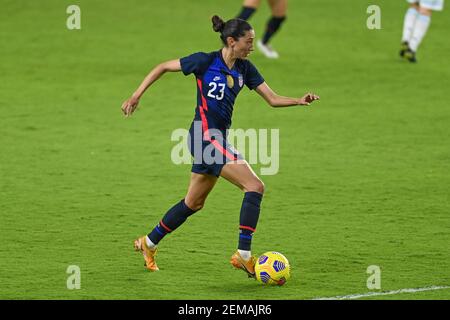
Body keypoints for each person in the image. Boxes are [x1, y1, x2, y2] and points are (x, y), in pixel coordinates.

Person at [121, 15, 319, 278]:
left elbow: (271, 99)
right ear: (231, 41)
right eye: (248, 41)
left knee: (193, 203)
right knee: (255, 186)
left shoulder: (245, 69)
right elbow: (163, 67)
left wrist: (298, 100)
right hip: (203, 137)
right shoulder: (205, 61)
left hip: (216, 139)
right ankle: (244, 255)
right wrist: (136, 95)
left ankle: (149, 242)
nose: (251, 46)